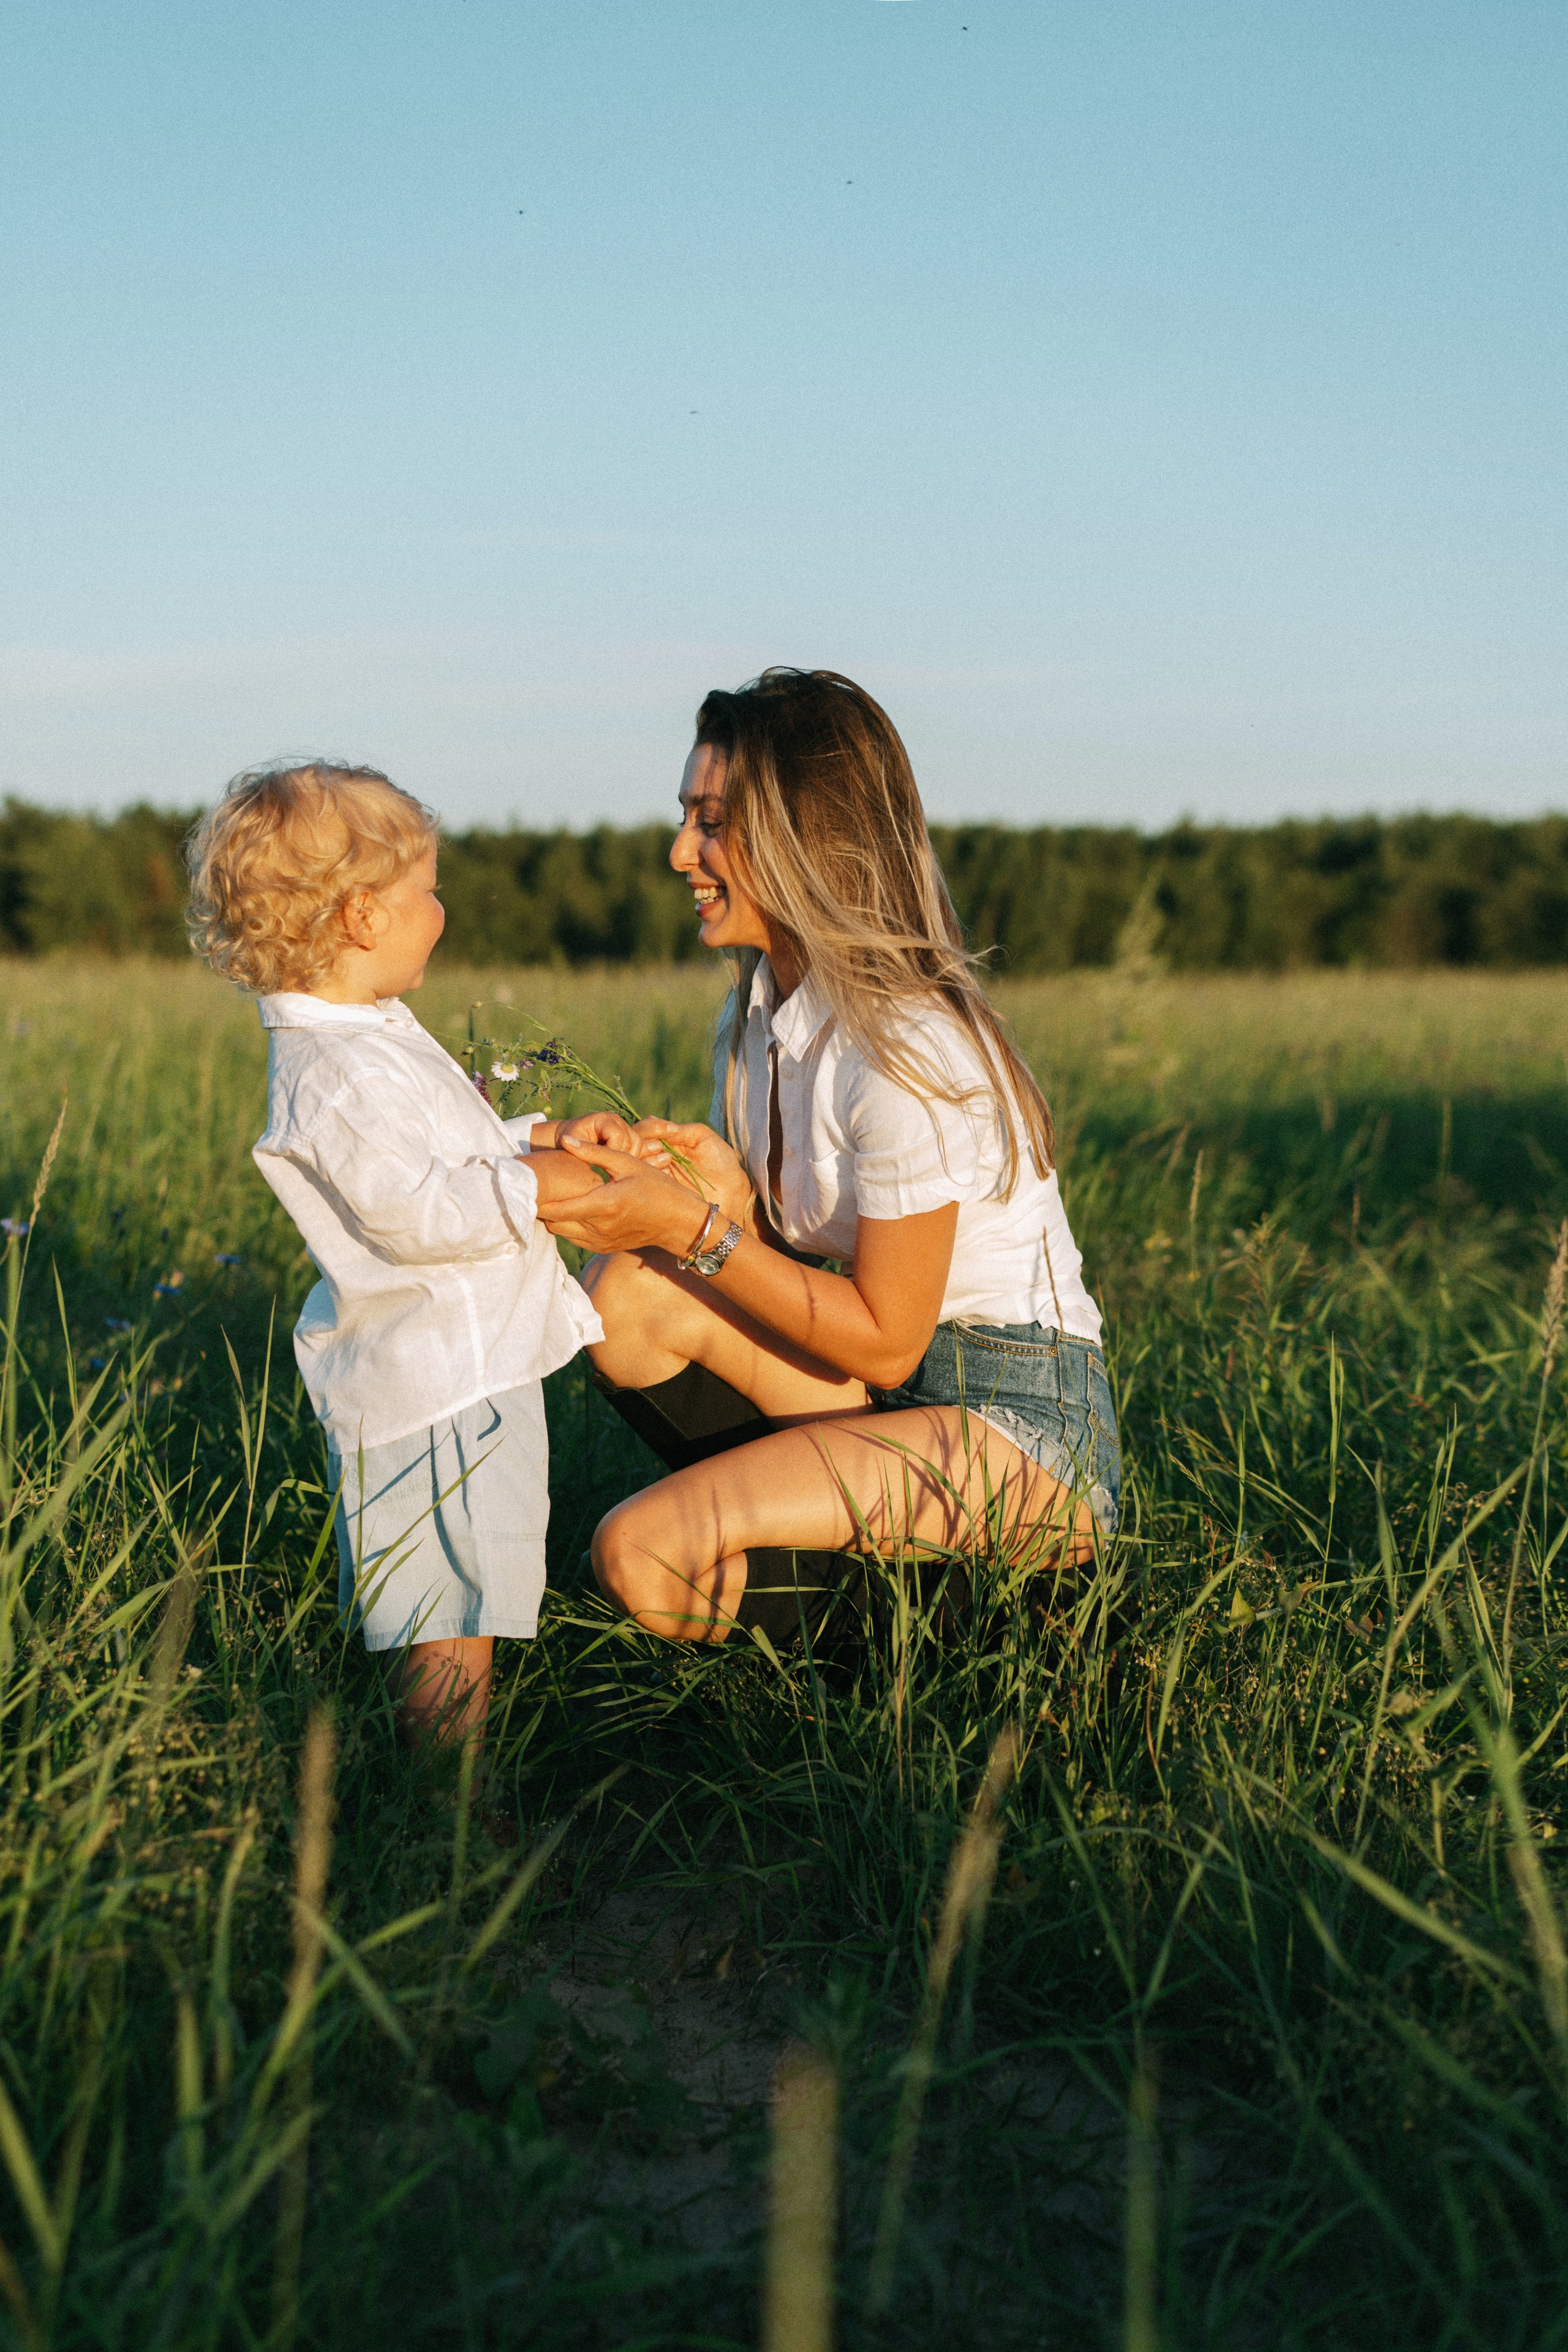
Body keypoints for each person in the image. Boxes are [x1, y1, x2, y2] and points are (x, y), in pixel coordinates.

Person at [539, 669, 1121, 1646]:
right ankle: (870, 1584)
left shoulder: (905, 1047)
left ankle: (1026, 1629)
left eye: (711, 822)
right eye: (686, 819)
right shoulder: (757, 1017)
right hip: (891, 1398)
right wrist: (731, 1205)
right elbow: (810, 1285)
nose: (679, 852)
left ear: (804, 837)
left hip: (1020, 1424)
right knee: (627, 1298)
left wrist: (698, 1229)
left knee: (642, 1554)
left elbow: (888, 1337)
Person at [184, 761, 610, 1744]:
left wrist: (534, 1141)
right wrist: (541, 1187)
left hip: (465, 1369)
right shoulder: (334, 1071)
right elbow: (417, 1212)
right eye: (427, 891)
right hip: (435, 1386)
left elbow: (441, 1158)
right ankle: (444, 1795)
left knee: (472, 1587)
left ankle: (444, 1777)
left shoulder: (366, 1035)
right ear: (363, 918)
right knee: (447, 1603)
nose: (442, 912)